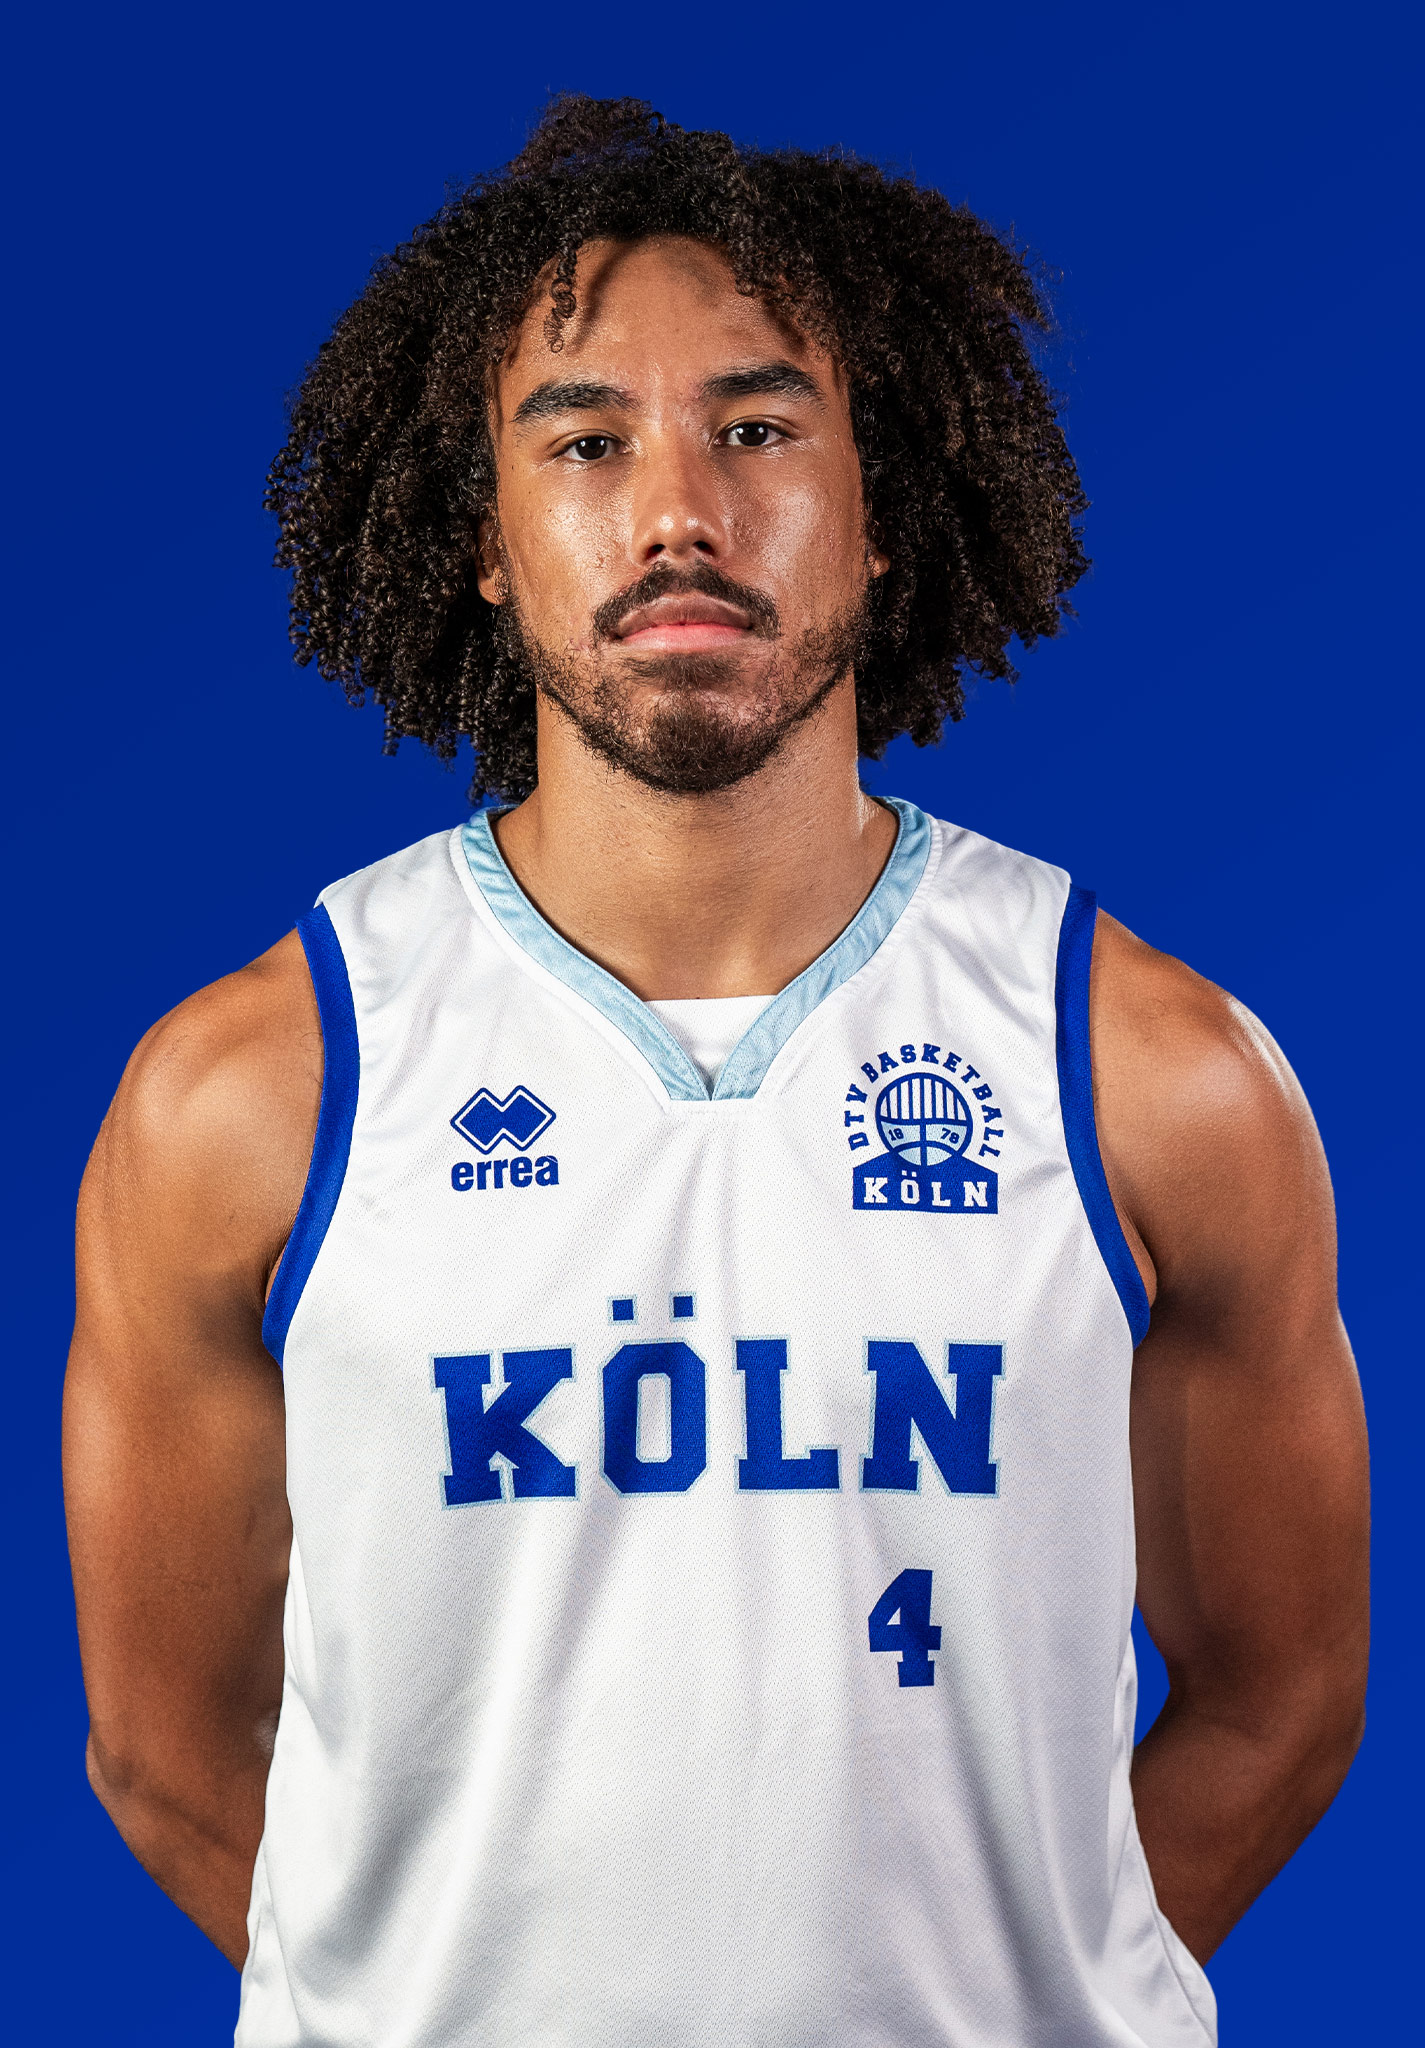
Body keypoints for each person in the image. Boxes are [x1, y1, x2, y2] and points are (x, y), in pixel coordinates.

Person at [63, 96, 1369, 2048]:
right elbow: (162, 1751)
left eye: (757, 430)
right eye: (585, 441)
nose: (677, 510)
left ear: (876, 506)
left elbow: (1284, 1696)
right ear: (486, 538)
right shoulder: (252, 1092)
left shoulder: (1149, 1073)